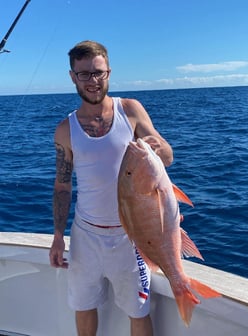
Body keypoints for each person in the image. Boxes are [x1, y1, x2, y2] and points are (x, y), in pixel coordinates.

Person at [49, 40, 173, 336]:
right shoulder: (66, 129)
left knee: (138, 311)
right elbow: (62, 186)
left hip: (132, 235)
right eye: (84, 74)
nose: (92, 81)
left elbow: (167, 157)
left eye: (98, 73)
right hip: (85, 236)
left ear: (109, 72)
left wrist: (159, 149)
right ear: (72, 77)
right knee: (83, 306)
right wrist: (57, 236)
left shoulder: (130, 110)